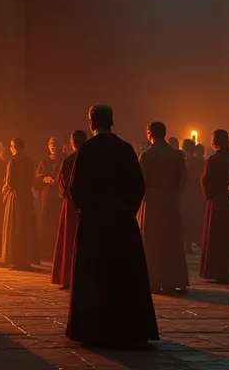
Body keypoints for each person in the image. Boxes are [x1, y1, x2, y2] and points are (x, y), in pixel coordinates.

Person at [66, 104, 158, 347]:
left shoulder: (86, 150)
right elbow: (138, 186)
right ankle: (127, 328)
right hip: (121, 222)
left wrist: (84, 210)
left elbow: (75, 187)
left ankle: (94, 329)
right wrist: (126, 211)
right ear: (112, 121)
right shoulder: (125, 149)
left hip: (94, 222)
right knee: (123, 275)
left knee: (95, 276)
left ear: (91, 123)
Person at [138, 121, 188, 294]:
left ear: (150, 133)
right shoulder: (177, 154)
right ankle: (172, 279)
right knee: (171, 240)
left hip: (152, 201)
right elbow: (183, 181)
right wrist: (173, 194)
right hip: (171, 200)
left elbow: (140, 181)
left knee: (152, 241)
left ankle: (153, 279)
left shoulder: (147, 155)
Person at [200, 129, 229, 284]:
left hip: (216, 201)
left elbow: (205, 181)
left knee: (216, 235)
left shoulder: (212, 159)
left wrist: (209, 197)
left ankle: (216, 270)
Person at [51, 129, 85, 289]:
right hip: (89, 206)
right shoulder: (91, 160)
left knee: (69, 240)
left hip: (71, 207)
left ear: (72, 142)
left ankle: (67, 276)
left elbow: (63, 188)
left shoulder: (69, 160)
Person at [1, 137, 39, 269]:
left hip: (16, 197)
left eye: (11, 146)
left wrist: (4, 193)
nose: (10, 148)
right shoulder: (29, 161)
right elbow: (31, 179)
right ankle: (26, 258)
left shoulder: (13, 161)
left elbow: (10, 181)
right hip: (26, 197)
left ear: (15, 147)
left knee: (15, 227)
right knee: (26, 226)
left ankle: (17, 258)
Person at [37, 137, 66, 252]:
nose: (53, 146)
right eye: (51, 144)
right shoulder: (44, 161)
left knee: (58, 222)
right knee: (47, 222)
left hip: (59, 196)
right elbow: (38, 177)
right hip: (48, 196)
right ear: (48, 146)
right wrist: (45, 179)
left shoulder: (64, 160)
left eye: (55, 144)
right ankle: (47, 249)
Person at [179, 140, 204, 254]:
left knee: (186, 220)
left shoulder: (182, 162)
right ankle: (198, 242)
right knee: (197, 219)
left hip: (185, 195)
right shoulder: (200, 162)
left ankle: (188, 245)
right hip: (198, 195)